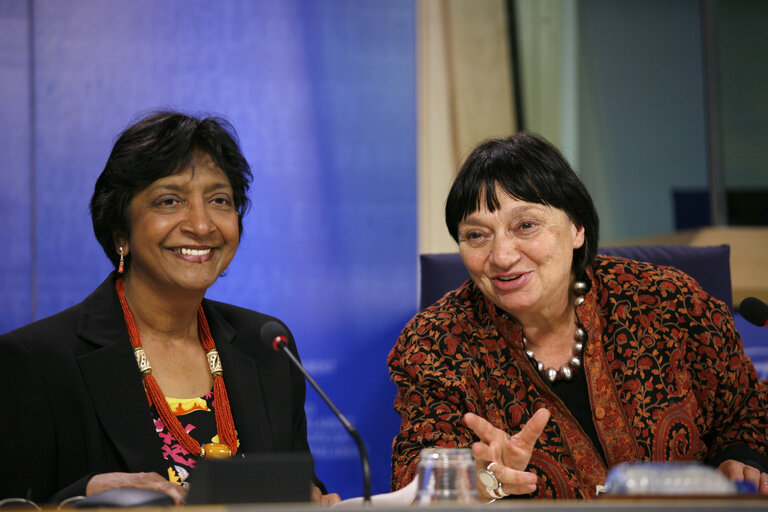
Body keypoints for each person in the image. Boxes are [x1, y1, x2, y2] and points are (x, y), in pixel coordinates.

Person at [388, 133, 768, 499]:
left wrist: (741, 460)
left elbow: (747, 414)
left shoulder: (668, 303)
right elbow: (415, 480)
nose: (502, 256)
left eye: (526, 226)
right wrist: (487, 483)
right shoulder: (436, 342)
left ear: (577, 229)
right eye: (476, 235)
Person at [0, 112, 340, 506]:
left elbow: (295, 483)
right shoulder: (36, 361)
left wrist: (310, 498)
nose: (201, 224)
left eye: (219, 200)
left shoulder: (266, 344)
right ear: (120, 231)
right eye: (169, 200)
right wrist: (81, 498)